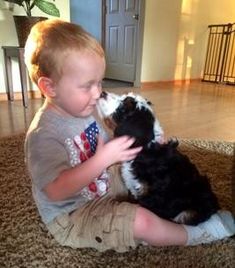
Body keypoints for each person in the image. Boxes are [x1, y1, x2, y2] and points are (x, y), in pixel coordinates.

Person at [24, 19, 235, 253]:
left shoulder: (86, 108)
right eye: (87, 85)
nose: (98, 92)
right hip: (75, 214)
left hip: (101, 186)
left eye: (99, 82)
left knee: (149, 174)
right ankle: (194, 233)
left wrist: (150, 140)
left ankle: (174, 211)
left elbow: (114, 144)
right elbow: (55, 190)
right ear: (49, 87)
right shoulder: (43, 135)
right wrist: (103, 160)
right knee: (140, 220)